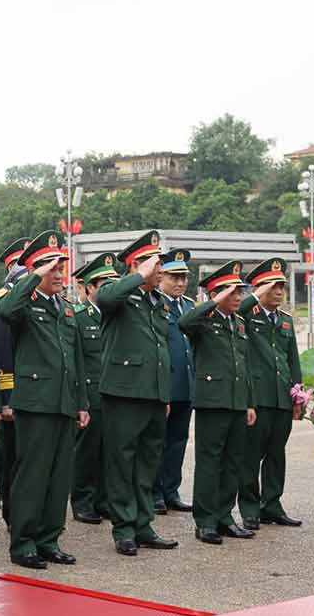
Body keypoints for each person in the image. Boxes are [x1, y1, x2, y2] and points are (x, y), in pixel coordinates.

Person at [0, 231, 89, 569]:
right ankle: (23, 543)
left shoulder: (64, 308)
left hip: (63, 402)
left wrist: (82, 403)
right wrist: (32, 274)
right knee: (32, 476)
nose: (59, 275)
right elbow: (6, 309)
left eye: (61, 269)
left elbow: (75, 359)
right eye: (52, 270)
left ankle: (49, 539)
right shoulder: (24, 303)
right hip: (35, 403)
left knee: (58, 476)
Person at [95, 231, 179, 557]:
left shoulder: (156, 301)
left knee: (147, 464)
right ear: (138, 265)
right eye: (157, 264)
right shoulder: (117, 293)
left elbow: (160, 349)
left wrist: (165, 394)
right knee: (121, 463)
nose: (162, 270)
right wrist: (138, 276)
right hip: (124, 394)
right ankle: (124, 529)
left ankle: (143, 524)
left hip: (154, 395)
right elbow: (104, 300)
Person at [176, 261, 257, 545]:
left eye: (239, 292)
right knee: (209, 462)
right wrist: (213, 302)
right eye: (232, 293)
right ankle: (205, 521)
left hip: (236, 401)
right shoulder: (203, 321)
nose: (238, 298)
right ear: (217, 294)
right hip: (212, 401)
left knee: (233, 462)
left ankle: (225, 516)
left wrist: (250, 403)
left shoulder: (239, 323)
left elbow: (244, 366)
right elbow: (184, 323)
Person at [239, 258, 304, 529]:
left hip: (281, 399)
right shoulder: (247, 314)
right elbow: (240, 306)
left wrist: (298, 396)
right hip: (258, 397)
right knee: (252, 455)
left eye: (282, 287)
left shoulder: (286, 321)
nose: (278, 292)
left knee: (277, 455)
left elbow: (293, 362)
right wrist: (255, 294)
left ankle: (272, 505)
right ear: (260, 288)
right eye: (273, 287)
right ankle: (250, 508)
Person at [69, 252, 118, 525]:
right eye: (103, 286)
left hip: (114, 393)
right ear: (88, 288)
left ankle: (103, 500)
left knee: (109, 451)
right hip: (90, 393)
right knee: (86, 452)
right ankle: (83, 501)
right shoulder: (78, 317)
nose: (108, 291)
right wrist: (81, 400)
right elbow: (76, 362)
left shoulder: (117, 315)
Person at [153, 249, 195, 514]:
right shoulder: (155, 304)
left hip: (186, 386)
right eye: (174, 277)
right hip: (164, 386)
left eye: (183, 277)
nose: (179, 283)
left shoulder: (189, 306)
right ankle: (154, 493)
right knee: (157, 442)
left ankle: (171, 490)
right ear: (161, 276)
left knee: (178, 442)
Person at [0, 237, 28, 530]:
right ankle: (9, 507)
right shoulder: (1, 300)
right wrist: (6, 397)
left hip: (36, 392)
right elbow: (0, 351)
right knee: (11, 453)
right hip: (13, 392)